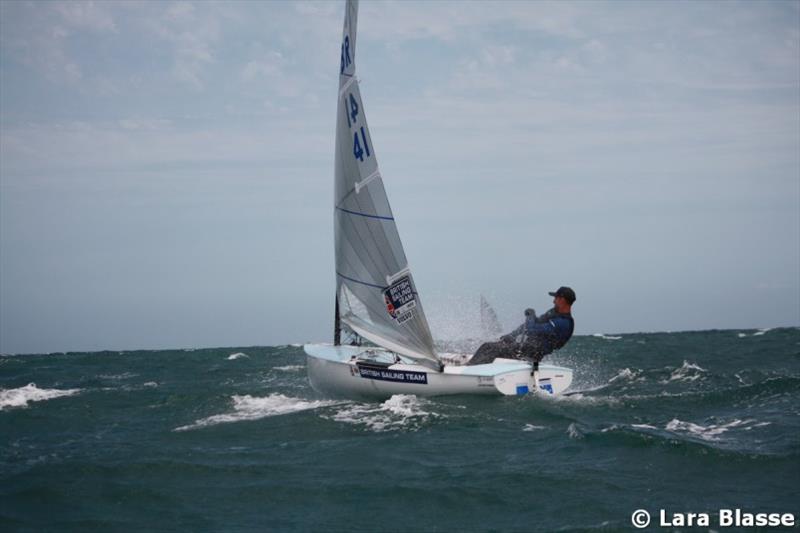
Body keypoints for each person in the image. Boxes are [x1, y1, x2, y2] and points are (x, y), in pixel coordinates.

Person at [467, 287, 576, 366]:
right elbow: (529, 325)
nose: (553, 300)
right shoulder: (553, 313)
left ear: (562, 300)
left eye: (556, 298)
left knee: (488, 347)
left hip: (530, 354)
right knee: (496, 346)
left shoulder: (563, 323)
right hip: (524, 348)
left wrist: (530, 315)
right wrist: (511, 336)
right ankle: (477, 367)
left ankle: (468, 369)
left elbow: (532, 328)